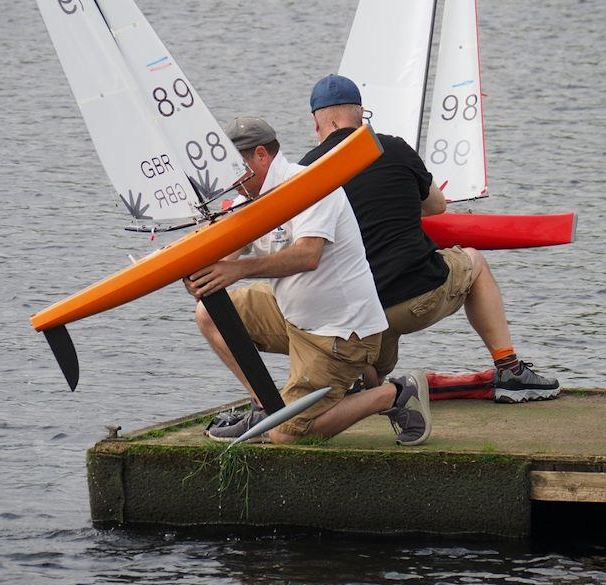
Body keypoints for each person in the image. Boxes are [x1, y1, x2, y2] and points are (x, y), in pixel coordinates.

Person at [299, 75, 560, 403]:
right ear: (362, 115)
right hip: (417, 297)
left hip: (362, 313)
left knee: (370, 376)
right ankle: (510, 370)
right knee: (474, 262)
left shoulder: (305, 171)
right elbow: (436, 206)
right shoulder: (391, 146)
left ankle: (365, 384)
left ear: (316, 123)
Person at [184, 116, 431, 445]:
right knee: (209, 312)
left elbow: (307, 256)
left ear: (261, 155)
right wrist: (199, 276)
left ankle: (394, 393)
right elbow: (226, 259)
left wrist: (238, 271)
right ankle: (264, 404)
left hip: (341, 333)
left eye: (234, 164)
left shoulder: (312, 185)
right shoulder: (245, 201)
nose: (228, 177)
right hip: (294, 319)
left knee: (285, 436)